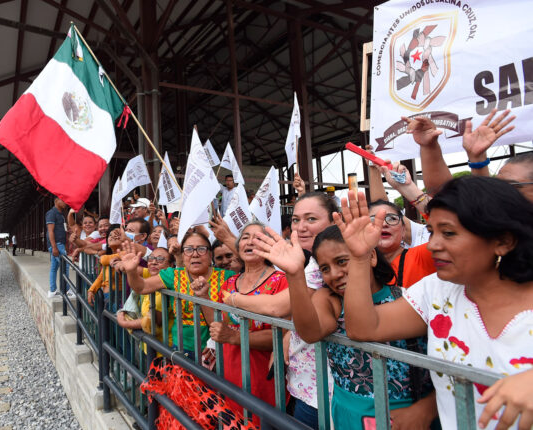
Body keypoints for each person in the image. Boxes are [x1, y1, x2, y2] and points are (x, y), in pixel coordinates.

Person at [338, 177, 533, 430]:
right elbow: (363, 328)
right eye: (431, 232)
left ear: (503, 241)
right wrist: (359, 257)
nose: (432, 245)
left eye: (449, 233)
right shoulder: (437, 291)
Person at [254, 224, 437, 428]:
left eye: (342, 261)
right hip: (346, 416)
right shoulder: (330, 299)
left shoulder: (408, 300)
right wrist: (295, 276)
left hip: (404, 418)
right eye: (325, 268)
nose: (334, 274)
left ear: (371, 257)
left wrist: (426, 409)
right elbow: (310, 332)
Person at [221, 192, 338, 428]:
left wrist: (233, 300)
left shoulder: (308, 269)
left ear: (334, 221)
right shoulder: (311, 264)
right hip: (301, 381)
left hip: (329, 389)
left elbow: (278, 307)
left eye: (311, 219)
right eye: (295, 220)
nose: (301, 227)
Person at [209, 221, 288, 426]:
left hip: (263, 379)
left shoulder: (282, 282)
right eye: (245, 237)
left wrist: (235, 337)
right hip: (230, 373)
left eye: (259, 238)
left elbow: (285, 336)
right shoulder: (229, 283)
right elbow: (218, 327)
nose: (250, 242)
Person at [120, 229, 235, 360]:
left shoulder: (227, 277)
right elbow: (141, 287)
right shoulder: (174, 275)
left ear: (210, 255)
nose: (195, 254)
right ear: (183, 255)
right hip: (181, 350)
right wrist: (131, 271)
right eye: (189, 249)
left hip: (216, 351)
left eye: (201, 249)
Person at [46, 198, 72, 299]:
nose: (66, 202)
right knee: (65, 266)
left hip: (59, 244)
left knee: (54, 268)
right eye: (63, 200)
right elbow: (50, 231)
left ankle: (52, 291)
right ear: (56, 200)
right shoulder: (51, 213)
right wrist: (54, 247)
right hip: (56, 244)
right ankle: (66, 290)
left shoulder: (61, 214)